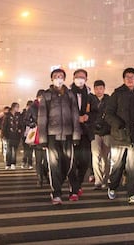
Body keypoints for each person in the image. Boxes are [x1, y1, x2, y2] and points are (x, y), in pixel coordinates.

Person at [105, 67, 134, 204]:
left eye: (132, 77)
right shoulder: (117, 94)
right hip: (119, 135)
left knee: (133, 167)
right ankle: (112, 186)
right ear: (124, 79)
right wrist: (119, 124)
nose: (130, 79)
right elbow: (108, 114)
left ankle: (133, 194)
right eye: (127, 77)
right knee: (118, 166)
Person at [37, 67, 81, 204]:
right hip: (52, 136)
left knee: (69, 164)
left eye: (61, 76)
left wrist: (76, 134)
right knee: (54, 166)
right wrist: (43, 139)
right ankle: (56, 193)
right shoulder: (47, 95)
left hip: (68, 135)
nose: (58, 78)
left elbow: (75, 115)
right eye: (56, 76)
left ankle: (73, 190)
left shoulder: (70, 94)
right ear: (51, 78)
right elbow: (42, 117)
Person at [68, 70, 93, 200]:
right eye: (77, 77)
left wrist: (87, 117)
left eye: (82, 77)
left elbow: (96, 112)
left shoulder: (89, 95)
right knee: (71, 162)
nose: (80, 79)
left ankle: (77, 184)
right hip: (70, 133)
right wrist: (75, 118)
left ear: (86, 79)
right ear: (73, 78)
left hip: (85, 133)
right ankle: (74, 189)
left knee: (84, 161)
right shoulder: (67, 94)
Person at [89, 80, 111, 190]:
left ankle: (105, 180)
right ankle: (98, 180)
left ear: (104, 89)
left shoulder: (109, 100)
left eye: (101, 88)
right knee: (95, 156)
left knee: (106, 157)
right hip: (94, 132)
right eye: (97, 88)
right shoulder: (90, 100)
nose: (99, 90)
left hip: (107, 132)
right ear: (94, 89)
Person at [2, 102, 22, 170]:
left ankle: (13, 163)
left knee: (15, 150)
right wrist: (3, 134)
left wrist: (20, 129)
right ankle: (8, 164)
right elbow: (4, 125)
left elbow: (20, 124)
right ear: (13, 107)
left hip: (16, 135)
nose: (18, 108)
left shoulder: (18, 115)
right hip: (8, 135)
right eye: (17, 107)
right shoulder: (7, 115)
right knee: (9, 150)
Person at [20, 100, 35, 169]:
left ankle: (30, 163)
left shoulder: (34, 114)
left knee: (31, 149)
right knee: (26, 149)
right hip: (25, 133)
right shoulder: (23, 114)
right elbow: (21, 123)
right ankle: (24, 161)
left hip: (32, 133)